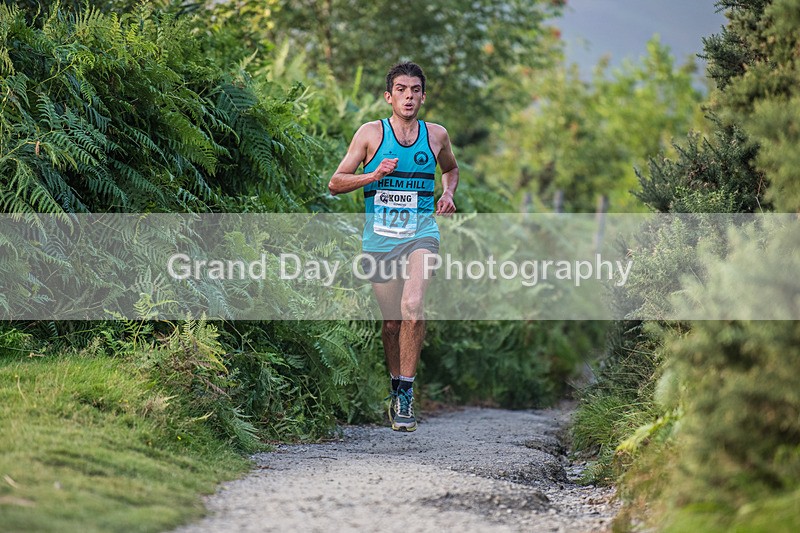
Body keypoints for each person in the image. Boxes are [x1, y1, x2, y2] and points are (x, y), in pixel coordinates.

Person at [328, 61, 459, 432]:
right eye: (401, 90)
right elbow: (335, 183)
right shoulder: (371, 134)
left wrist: (447, 194)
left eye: (415, 90)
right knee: (391, 323)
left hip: (421, 233)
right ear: (389, 97)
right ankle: (395, 384)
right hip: (380, 238)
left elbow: (451, 169)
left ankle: (406, 396)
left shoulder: (436, 136)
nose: (409, 96)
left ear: (423, 96)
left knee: (413, 305)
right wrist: (373, 175)